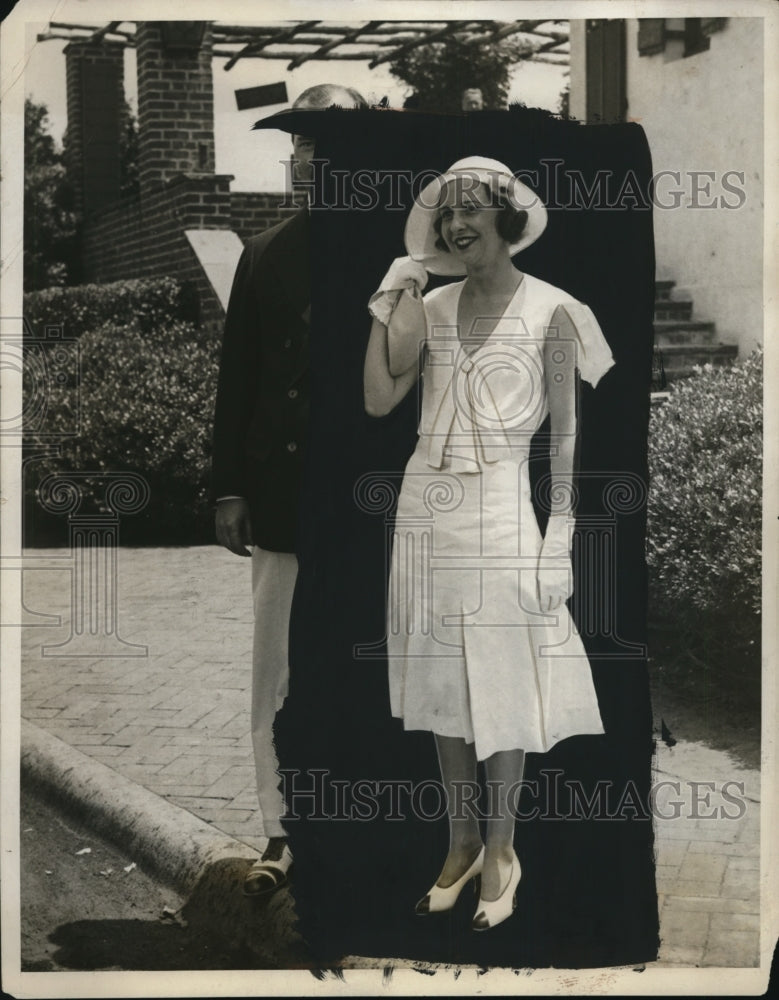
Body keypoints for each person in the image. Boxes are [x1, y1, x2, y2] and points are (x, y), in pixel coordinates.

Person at [363, 156, 615, 930]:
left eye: (470, 209)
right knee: (442, 684)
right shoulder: (429, 307)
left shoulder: (555, 311)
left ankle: (502, 852)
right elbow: (378, 399)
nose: (455, 225)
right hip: (424, 510)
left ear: (506, 218)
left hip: (501, 510)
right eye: (445, 215)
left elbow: (568, 440)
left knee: (503, 684)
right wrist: (390, 299)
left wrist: (560, 541)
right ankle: (460, 842)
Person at [212, 82, 365, 897]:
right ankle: (281, 833)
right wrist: (229, 486)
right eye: (303, 143)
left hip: (364, 511)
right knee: (276, 673)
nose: (314, 156)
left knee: (358, 671)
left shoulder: (399, 253)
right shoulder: (263, 252)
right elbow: (238, 379)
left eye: (331, 140)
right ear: (294, 158)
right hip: (279, 499)